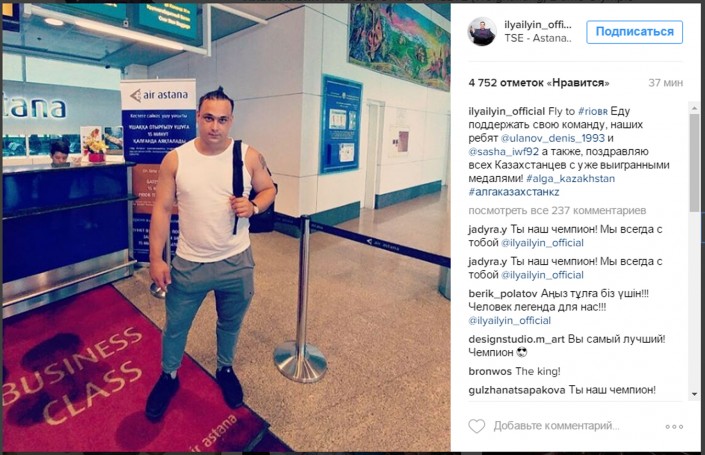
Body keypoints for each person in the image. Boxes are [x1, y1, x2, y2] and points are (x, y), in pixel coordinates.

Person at [145, 86, 276, 422]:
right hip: (189, 264)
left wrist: (254, 206)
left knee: (230, 323)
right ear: (197, 117)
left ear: (231, 121)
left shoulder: (248, 155)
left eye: (222, 119)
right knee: (176, 326)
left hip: (237, 262)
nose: (214, 126)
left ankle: (225, 368)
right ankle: (169, 375)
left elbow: (268, 189)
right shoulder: (176, 159)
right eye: (208, 118)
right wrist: (156, 258)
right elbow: (161, 209)